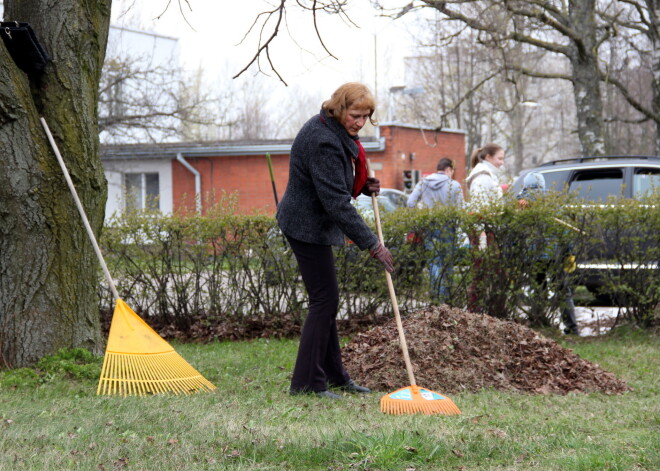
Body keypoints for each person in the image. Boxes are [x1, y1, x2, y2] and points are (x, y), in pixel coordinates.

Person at [276, 82, 395, 399]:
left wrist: (362, 186)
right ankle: (306, 384)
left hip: (315, 222)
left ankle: (335, 377)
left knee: (327, 301)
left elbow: (338, 188)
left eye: (366, 117)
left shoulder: (335, 132)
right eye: (355, 115)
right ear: (340, 108)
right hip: (305, 225)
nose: (359, 122)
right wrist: (373, 244)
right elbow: (335, 202)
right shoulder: (322, 140)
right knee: (324, 301)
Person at [516, 172, 579, 335]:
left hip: (533, 256)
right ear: (543, 185)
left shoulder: (521, 203)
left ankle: (539, 323)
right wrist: (569, 253)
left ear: (526, 185)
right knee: (563, 291)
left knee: (538, 289)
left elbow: (518, 232)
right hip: (555, 254)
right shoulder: (553, 202)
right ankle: (572, 328)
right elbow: (564, 231)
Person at [406, 158, 465, 303]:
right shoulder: (454, 185)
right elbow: (461, 210)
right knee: (447, 263)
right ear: (448, 170)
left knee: (434, 262)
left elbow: (410, 202)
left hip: (429, 227)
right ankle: (446, 298)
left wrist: (421, 217)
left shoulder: (423, 183)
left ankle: (436, 297)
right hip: (448, 228)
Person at [465, 143, 507, 315]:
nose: (502, 163)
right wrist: (482, 235)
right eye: (500, 158)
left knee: (491, 272)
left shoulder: (488, 176)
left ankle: (487, 312)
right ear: (488, 157)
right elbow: (479, 207)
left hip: (488, 230)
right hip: (483, 231)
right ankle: (476, 312)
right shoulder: (482, 178)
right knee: (482, 272)